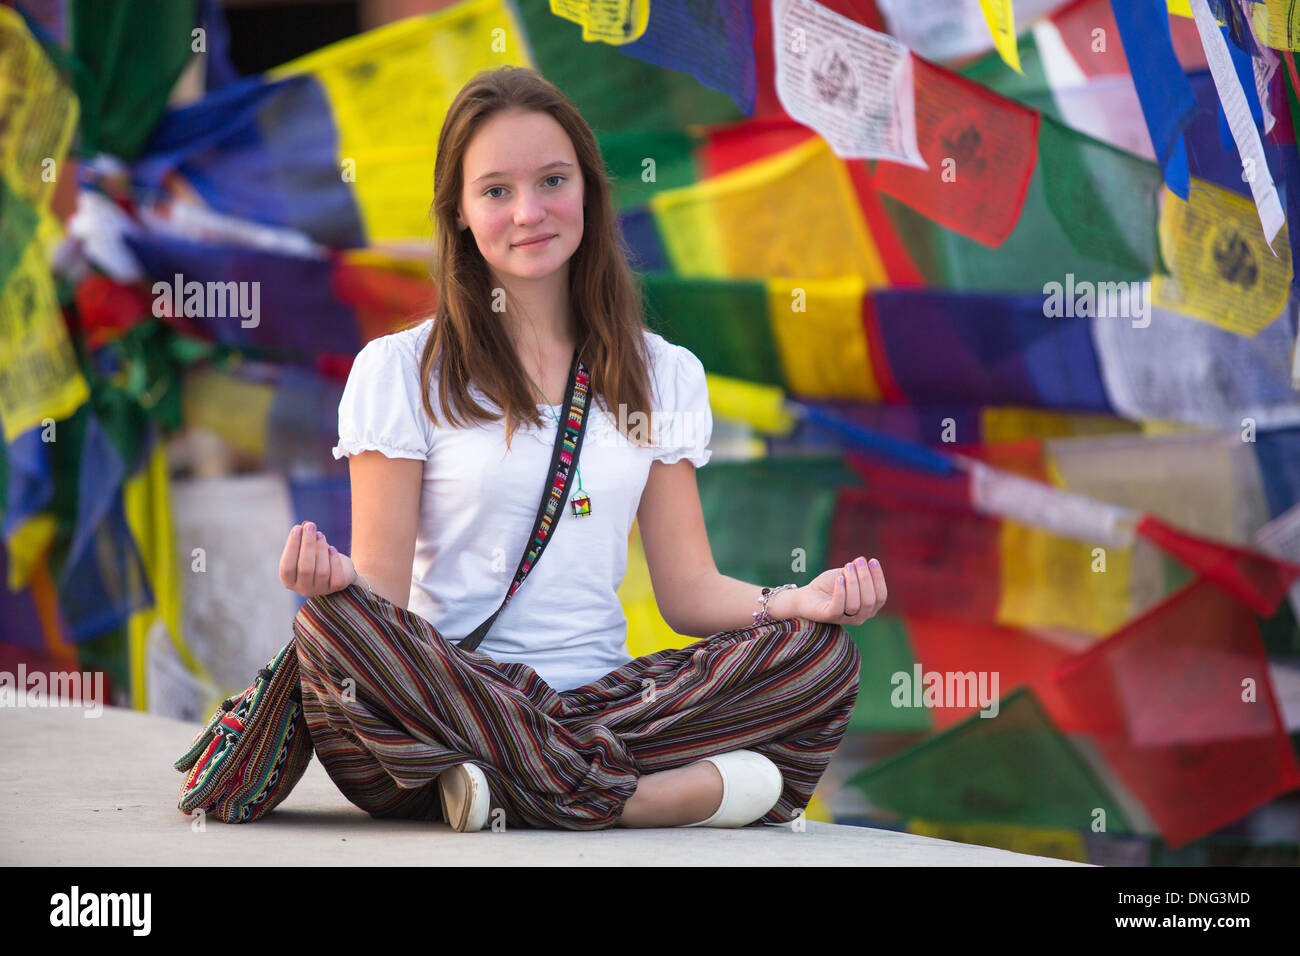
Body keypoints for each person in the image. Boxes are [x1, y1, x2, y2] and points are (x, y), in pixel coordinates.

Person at [279, 65, 887, 833]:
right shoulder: (402, 371)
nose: (528, 212)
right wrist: (338, 585)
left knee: (820, 657)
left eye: (552, 181)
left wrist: (795, 603)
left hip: (604, 703)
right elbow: (384, 609)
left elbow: (688, 591)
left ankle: (525, 788)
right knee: (329, 629)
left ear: (590, 194)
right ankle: (638, 797)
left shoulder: (660, 373)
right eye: (495, 190)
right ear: (460, 213)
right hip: (455, 696)